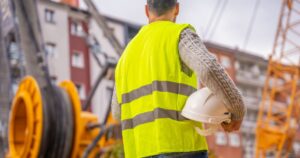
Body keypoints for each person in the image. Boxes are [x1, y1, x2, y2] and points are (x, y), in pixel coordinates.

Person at [112, 0, 246, 157]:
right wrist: (237, 109)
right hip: (180, 147)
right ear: (176, 8)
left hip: (139, 151)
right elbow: (208, 68)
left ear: (147, 11)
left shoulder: (125, 56)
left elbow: (116, 113)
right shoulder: (179, 35)